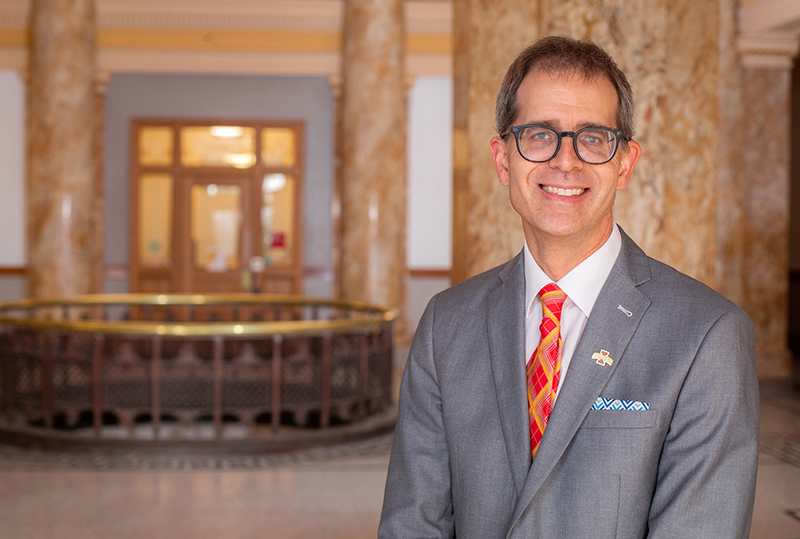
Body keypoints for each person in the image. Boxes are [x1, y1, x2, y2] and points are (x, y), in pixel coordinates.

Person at [378, 36, 759, 539]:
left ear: (624, 164)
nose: (566, 161)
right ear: (502, 160)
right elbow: (413, 524)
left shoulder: (707, 335)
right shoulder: (445, 324)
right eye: (540, 134)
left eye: (594, 138)